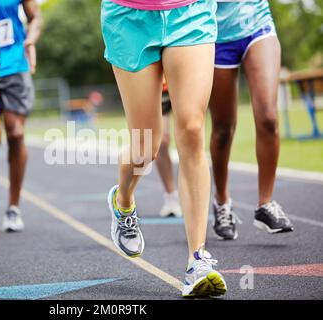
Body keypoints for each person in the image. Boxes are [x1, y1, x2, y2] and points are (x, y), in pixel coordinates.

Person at [102, 0, 227, 297]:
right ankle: (123, 200)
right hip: (129, 17)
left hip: (190, 11)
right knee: (146, 146)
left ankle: (197, 260)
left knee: (193, 129)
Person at [209, 0, 294, 240]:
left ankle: (265, 203)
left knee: (268, 117)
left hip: (257, 24)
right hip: (214, 35)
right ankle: (222, 201)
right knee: (223, 129)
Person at [0, 0, 42, 232]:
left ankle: (13, 207)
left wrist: (30, 39)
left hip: (14, 65)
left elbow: (36, 17)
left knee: (16, 133)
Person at [155, 78, 182, 218]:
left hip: (183, 76)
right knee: (161, 140)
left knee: (190, 136)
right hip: (159, 84)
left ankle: (193, 196)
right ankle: (171, 196)